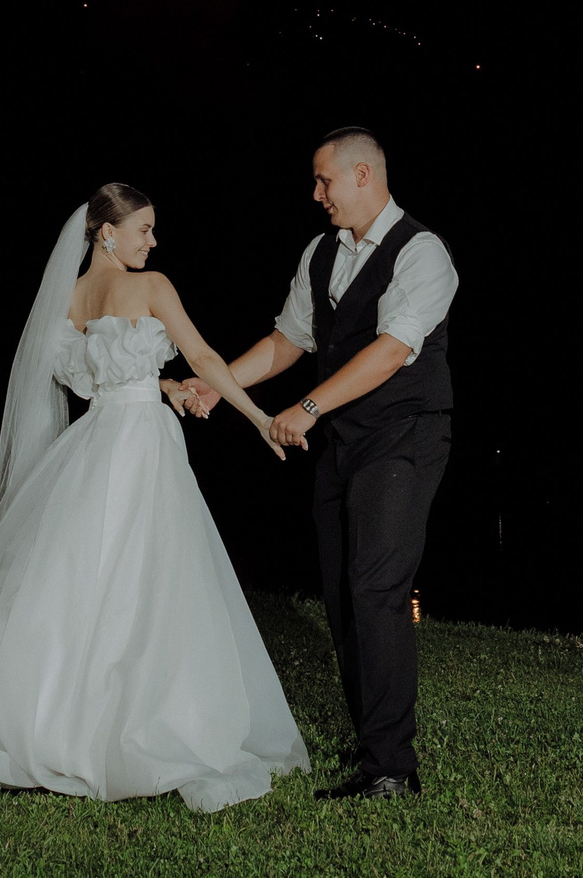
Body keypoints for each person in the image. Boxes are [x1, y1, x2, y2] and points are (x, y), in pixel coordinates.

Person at [0, 184, 308, 811]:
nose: (154, 241)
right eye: (145, 229)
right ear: (107, 234)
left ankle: (54, 724)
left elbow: (99, 377)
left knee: (78, 584)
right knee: (149, 582)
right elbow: (202, 354)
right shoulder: (153, 288)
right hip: (142, 446)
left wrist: (167, 386)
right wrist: (258, 418)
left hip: (94, 444)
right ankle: (139, 725)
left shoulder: (64, 301)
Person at [184, 126, 458, 799]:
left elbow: (392, 349)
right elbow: (287, 341)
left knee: (376, 585)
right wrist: (216, 388)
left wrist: (307, 406)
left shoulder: (423, 253)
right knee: (341, 593)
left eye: (324, 180)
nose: (316, 193)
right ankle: (372, 738)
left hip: (404, 435)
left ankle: (393, 768)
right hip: (345, 444)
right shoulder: (320, 253)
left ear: (363, 175)